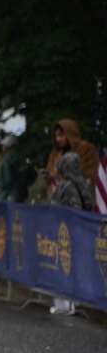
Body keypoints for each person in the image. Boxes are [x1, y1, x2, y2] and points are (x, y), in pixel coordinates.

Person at [48, 152, 93, 315]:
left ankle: (64, 305)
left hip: (65, 232)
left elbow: (67, 207)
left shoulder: (67, 186)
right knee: (75, 267)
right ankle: (74, 301)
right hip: (82, 232)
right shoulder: (85, 183)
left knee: (62, 266)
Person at [44, 119, 98, 194]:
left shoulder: (86, 148)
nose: (58, 139)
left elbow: (88, 177)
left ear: (70, 134)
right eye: (56, 136)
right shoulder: (55, 153)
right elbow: (50, 172)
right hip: (56, 196)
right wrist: (50, 177)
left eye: (61, 135)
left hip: (78, 196)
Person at [0, 135, 30, 202]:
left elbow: (4, 184)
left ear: (6, 147)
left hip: (7, 198)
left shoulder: (5, 161)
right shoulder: (22, 159)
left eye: (3, 145)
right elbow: (32, 175)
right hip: (20, 196)